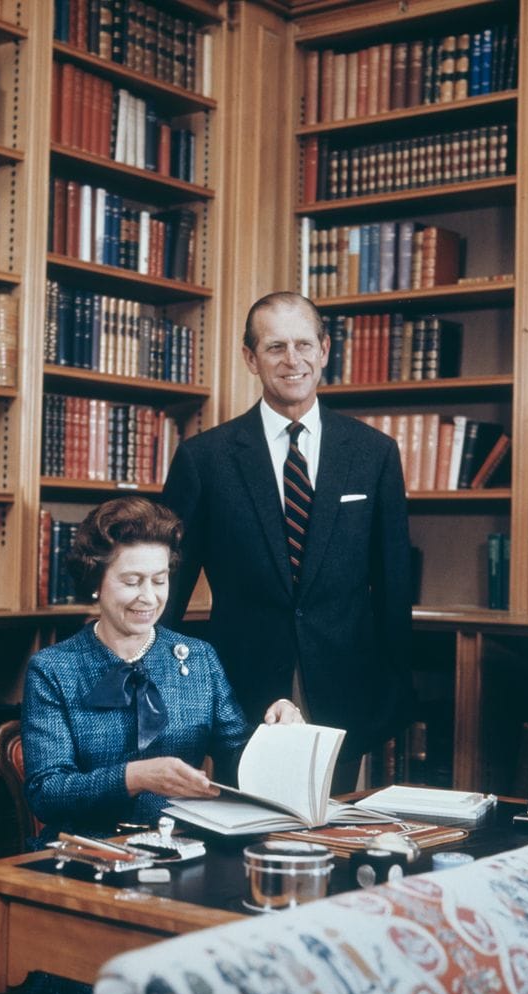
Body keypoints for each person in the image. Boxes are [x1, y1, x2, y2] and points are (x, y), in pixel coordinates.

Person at [162, 291, 413, 786]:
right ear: (250, 358)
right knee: (243, 839)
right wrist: (172, 695)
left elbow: (393, 586)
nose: (291, 360)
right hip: (240, 689)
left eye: (303, 344)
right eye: (275, 347)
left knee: (334, 837)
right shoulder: (204, 459)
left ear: (324, 350)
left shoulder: (374, 453)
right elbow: (167, 585)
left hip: (344, 687)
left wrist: (392, 695)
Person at [21, 495, 302, 841]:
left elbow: (238, 757)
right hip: (87, 851)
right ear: (95, 581)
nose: (150, 598)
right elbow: (47, 793)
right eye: (132, 581)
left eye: (159, 579)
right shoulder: (53, 669)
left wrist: (278, 733)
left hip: (183, 846)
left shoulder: (198, 658)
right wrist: (134, 777)